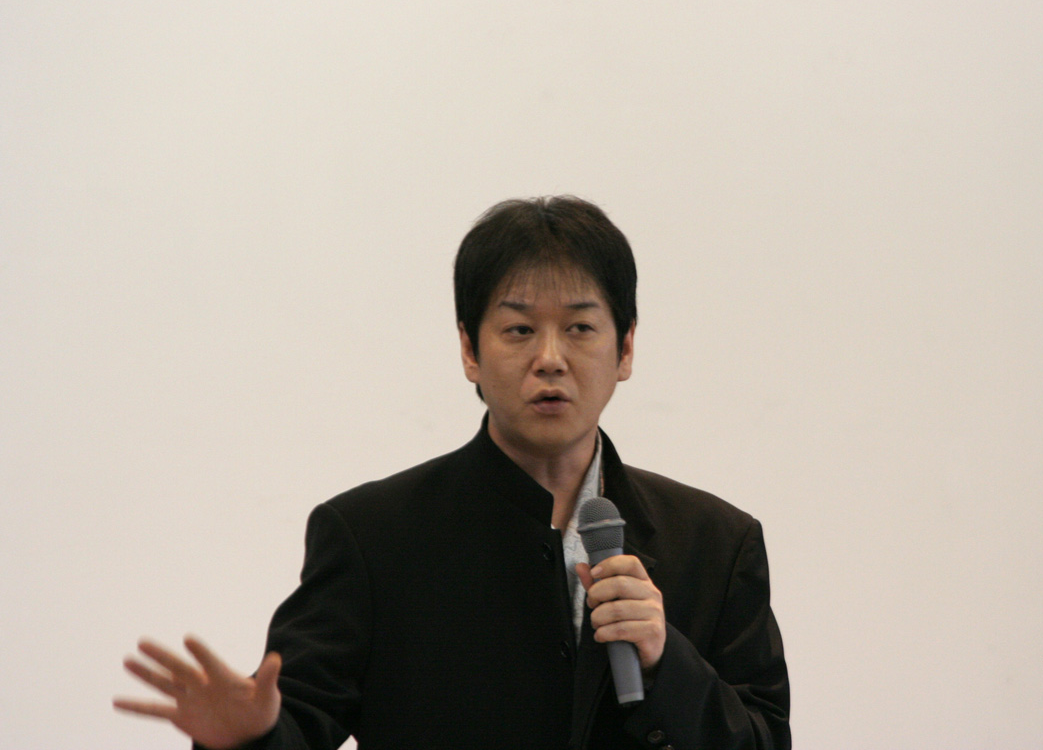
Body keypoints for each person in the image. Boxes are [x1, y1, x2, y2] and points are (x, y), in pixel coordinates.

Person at [115, 196, 790, 749]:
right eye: (519, 330)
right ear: (469, 349)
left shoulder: (717, 543)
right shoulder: (372, 538)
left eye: (580, 329)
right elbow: (294, 723)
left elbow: (766, 741)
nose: (550, 358)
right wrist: (250, 737)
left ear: (627, 348)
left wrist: (666, 661)